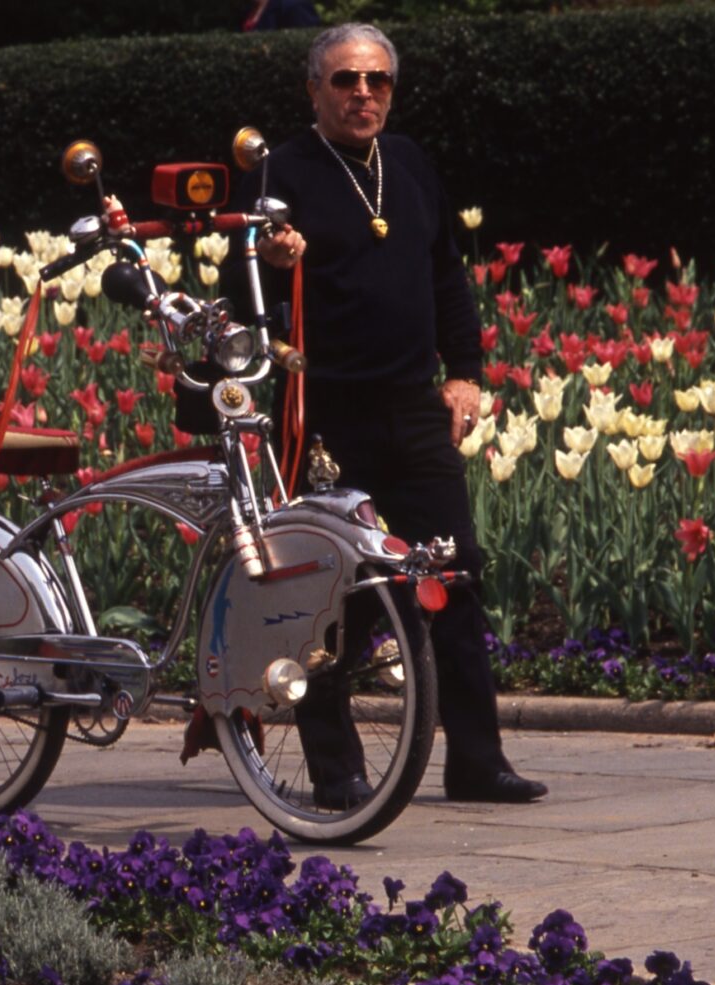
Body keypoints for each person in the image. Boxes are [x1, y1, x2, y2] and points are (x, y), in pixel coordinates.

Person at [229, 22, 547, 804]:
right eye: (345, 80)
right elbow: (241, 304)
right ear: (314, 90)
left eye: (377, 80)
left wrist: (466, 374)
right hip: (323, 414)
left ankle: (476, 761)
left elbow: (446, 276)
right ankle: (338, 772)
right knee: (328, 597)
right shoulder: (280, 172)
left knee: (456, 578)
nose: (363, 93)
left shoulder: (405, 162)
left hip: (413, 407)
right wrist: (269, 265)